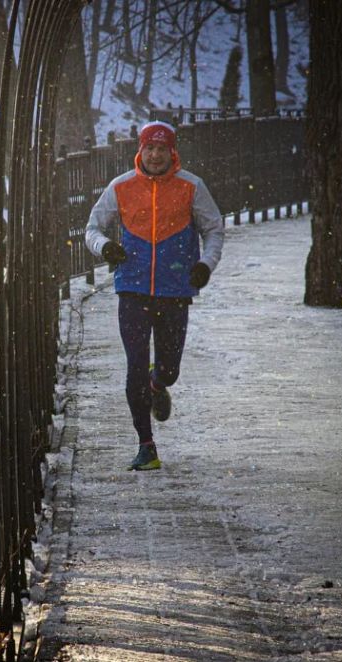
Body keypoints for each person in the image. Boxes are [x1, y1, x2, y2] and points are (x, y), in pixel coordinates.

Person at [85, 120, 224, 471]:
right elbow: (92, 228)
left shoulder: (192, 187)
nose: (156, 155)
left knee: (170, 368)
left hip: (175, 292)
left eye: (162, 148)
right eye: (150, 148)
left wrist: (205, 265)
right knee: (134, 366)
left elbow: (214, 229)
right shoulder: (121, 187)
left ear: (172, 151)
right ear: (140, 150)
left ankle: (158, 381)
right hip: (131, 290)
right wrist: (105, 248)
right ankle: (146, 445)